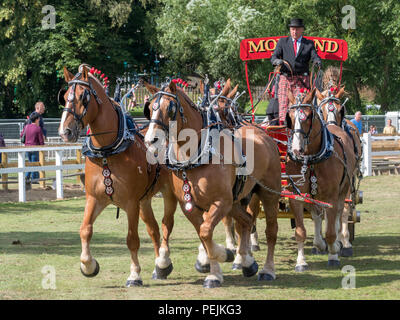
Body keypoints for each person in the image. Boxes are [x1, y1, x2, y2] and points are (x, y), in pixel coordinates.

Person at [271, 18, 322, 124]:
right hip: (285, 78)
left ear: (302, 30)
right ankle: (283, 126)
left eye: (297, 29)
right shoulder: (282, 42)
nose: (294, 31)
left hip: (302, 80)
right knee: (284, 105)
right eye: (292, 29)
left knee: (301, 105)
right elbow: (274, 57)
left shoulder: (308, 44)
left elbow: (314, 56)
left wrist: (317, 61)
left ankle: (301, 128)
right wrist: (277, 61)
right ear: (290, 30)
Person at [21, 112, 44, 184]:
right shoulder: (38, 128)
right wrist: (43, 148)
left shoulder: (26, 127)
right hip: (35, 148)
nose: (39, 120)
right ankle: (31, 178)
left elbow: (21, 135)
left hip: (27, 148)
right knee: (34, 164)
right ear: (36, 119)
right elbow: (41, 141)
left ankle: (28, 178)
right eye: (39, 119)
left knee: (31, 163)